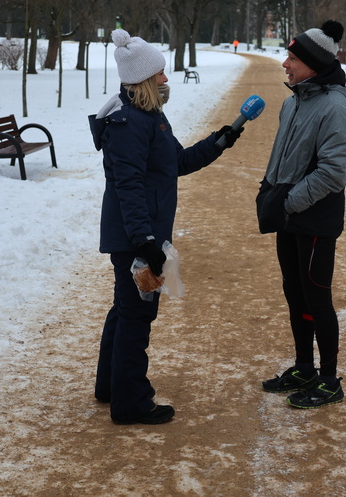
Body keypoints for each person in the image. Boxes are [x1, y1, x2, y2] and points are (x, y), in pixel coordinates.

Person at [89, 29, 242, 425]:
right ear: (143, 79)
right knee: (137, 317)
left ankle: (111, 386)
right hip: (136, 238)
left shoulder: (150, 117)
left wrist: (219, 142)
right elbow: (129, 186)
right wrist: (146, 241)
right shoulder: (128, 124)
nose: (166, 79)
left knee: (124, 312)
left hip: (142, 235)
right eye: (159, 74)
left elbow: (176, 163)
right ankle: (131, 402)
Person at [256, 20, 346, 409]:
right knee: (294, 293)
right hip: (290, 216)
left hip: (314, 219)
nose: (285, 63)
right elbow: (283, 158)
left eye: (293, 58)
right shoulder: (293, 101)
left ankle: (329, 380)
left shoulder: (334, 107)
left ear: (314, 64)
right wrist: (270, 192)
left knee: (317, 298)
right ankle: (303, 368)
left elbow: (333, 172)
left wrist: (289, 202)